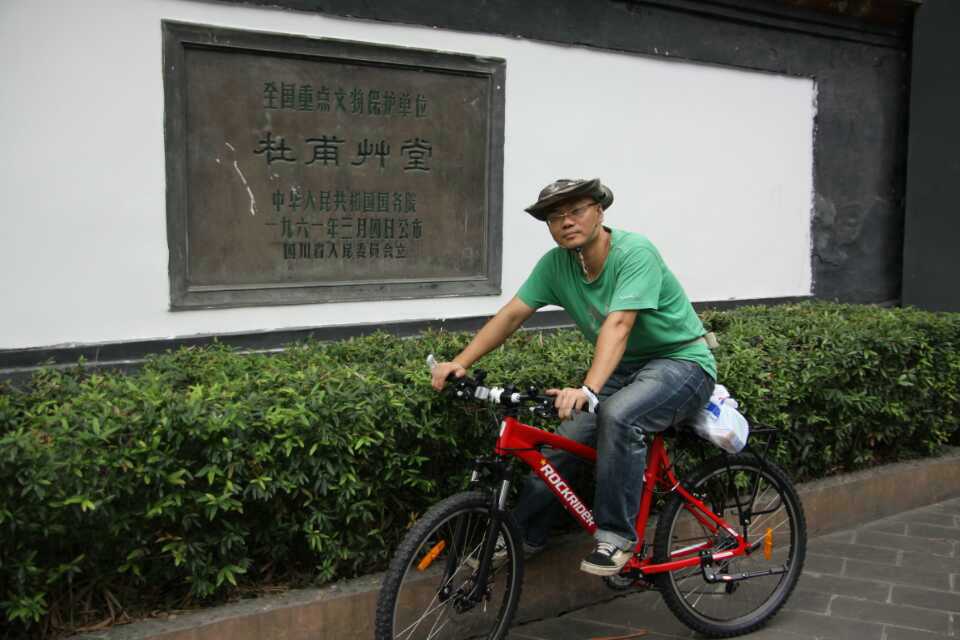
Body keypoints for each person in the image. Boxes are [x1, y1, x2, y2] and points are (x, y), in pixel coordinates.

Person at [431, 178, 716, 577]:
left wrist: (588, 389)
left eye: (576, 211)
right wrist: (460, 362)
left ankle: (616, 538)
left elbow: (619, 324)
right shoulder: (556, 265)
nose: (566, 222)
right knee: (560, 447)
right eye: (554, 216)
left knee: (619, 416)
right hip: (623, 369)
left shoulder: (635, 252)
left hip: (681, 362)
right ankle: (525, 536)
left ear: (599, 211)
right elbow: (512, 315)